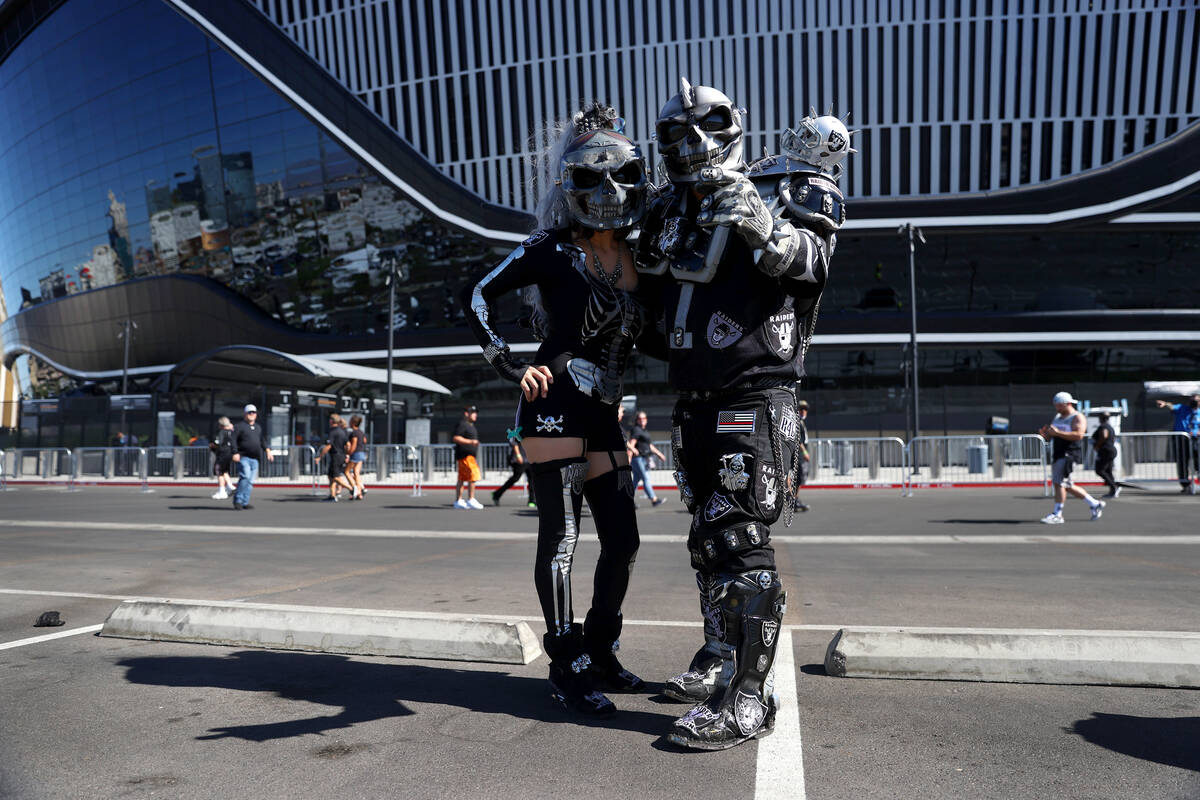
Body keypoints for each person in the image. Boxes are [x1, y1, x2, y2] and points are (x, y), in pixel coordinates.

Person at [634, 82, 845, 750]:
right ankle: (719, 656)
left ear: (736, 125)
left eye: (708, 125)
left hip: (752, 394)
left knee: (738, 540)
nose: (692, 143)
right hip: (693, 396)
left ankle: (750, 697)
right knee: (707, 543)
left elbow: (811, 264)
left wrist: (762, 223)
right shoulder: (672, 207)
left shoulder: (789, 187)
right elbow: (654, 304)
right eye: (676, 133)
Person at [464, 102, 654, 715]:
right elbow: (478, 297)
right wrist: (512, 365)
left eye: (619, 176)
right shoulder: (549, 247)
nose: (607, 191)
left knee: (622, 538)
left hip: (606, 411)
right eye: (590, 177)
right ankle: (566, 659)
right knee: (564, 536)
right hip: (552, 407)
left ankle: (600, 645)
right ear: (568, 183)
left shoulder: (640, 252)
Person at [1038, 391, 1105, 523]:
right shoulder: (1057, 417)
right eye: (1056, 405)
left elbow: (1079, 435)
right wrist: (1046, 434)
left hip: (1069, 453)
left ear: (1067, 404)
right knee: (1066, 484)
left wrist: (1058, 432)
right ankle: (1094, 503)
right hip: (1058, 452)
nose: (1057, 408)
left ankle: (1058, 513)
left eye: (1059, 405)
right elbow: (1053, 435)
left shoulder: (1077, 417)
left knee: (1059, 483)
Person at [1155, 394, 1200, 494]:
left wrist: (1197, 432)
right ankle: (1186, 485)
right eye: (1192, 400)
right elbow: (1172, 406)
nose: (1193, 402)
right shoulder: (1182, 408)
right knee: (1182, 463)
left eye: (1196, 400)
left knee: (1198, 463)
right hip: (1182, 439)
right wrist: (1165, 404)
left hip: (1196, 440)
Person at [231, 404, 273, 510]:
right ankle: (238, 500)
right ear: (245, 414)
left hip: (255, 459)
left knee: (250, 481)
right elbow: (233, 440)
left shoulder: (258, 427)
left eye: (253, 412)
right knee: (245, 477)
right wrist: (235, 452)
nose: (251, 414)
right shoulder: (239, 426)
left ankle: (245, 501)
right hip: (243, 457)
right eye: (249, 412)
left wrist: (268, 451)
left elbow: (262, 440)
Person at [627, 411, 666, 506]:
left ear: (646, 420)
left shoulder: (644, 431)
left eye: (644, 418)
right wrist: (628, 458)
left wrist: (659, 453)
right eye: (640, 419)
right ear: (637, 420)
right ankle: (654, 499)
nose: (642, 420)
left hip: (644, 458)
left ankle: (627, 498)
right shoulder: (636, 430)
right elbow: (631, 445)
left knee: (635, 481)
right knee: (646, 478)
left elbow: (649, 445)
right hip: (638, 458)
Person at [315, 414, 354, 502]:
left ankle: (351, 488)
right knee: (331, 476)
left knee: (335, 477)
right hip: (341, 455)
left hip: (336, 456)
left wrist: (319, 456)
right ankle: (332, 495)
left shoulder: (333, 432)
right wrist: (347, 454)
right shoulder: (342, 431)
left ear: (331, 421)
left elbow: (329, 446)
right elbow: (348, 445)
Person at [452, 406, 485, 510]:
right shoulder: (463, 424)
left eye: (476, 413)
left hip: (468, 456)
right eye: (473, 412)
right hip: (465, 456)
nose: (475, 415)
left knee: (462, 478)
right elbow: (456, 437)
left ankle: (459, 501)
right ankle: (471, 499)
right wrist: (471, 442)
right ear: (466, 413)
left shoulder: (470, 426)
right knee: (473, 474)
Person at [492, 435, 534, 507]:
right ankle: (497, 494)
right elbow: (513, 442)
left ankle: (532, 500)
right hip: (519, 459)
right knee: (515, 478)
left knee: (532, 480)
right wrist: (518, 455)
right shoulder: (516, 428)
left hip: (530, 458)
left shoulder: (530, 428)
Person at [1091, 411, 1120, 499]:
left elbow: (1104, 435)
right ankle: (1113, 489)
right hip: (1110, 450)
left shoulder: (1103, 426)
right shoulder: (1110, 427)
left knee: (1100, 470)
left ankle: (1114, 487)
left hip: (1105, 451)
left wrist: (1097, 446)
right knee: (1108, 471)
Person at [792, 399, 812, 512]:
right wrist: (804, 452)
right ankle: (793, 500)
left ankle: (795, 500)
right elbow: (798, 440)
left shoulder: (801, 422)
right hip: (797, 455)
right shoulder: (797, 422)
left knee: (798, 478)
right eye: (801, 409)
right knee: (797, 478)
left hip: (799, 455)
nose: (803, 411)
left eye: (805, 409)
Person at [210, 416, 235, 500]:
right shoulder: (231, 432)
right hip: (229, 454)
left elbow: (218, 443)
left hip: (222, 454)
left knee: (219, 472)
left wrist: (212, 446)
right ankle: (230, 485)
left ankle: (222, 491)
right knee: (225, 471)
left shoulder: (221, 432)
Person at [345, 414, 368, 500]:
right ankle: (360, 491)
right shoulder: (361, 432)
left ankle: (354, 488)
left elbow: (354, 444)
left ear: (353, 422)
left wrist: (349, 453)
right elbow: (365, 440)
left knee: (347, 471)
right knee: (356, 473)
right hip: (361, 452)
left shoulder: (354, 433)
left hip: (356, 453)